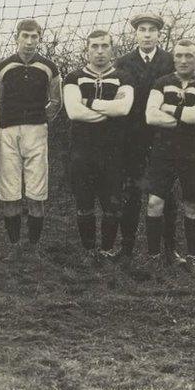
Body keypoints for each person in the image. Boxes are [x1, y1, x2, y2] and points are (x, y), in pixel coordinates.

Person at [145, 40, 195, 273]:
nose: (184, 60)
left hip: (194, 154)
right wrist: (184, 117)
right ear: (173, 58)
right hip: (163, 152)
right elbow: (150, 116)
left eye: (189, 56)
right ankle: (154, 256)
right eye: (179, 56)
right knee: (155, 202)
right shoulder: (162, 83)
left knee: (192, 205)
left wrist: (169, 108)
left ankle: (193, 257)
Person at [62, 30, 134, 264]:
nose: (100, 51)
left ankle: (106, 249)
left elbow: (123, 109)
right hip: (82, 151)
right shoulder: (73, 77)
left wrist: (89, 103)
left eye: (105, 46)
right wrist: (106, 112)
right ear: (87, 49)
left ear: (112, 49)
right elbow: (73, 111)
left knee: (112, 203)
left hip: (114, 151)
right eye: (95, 46)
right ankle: (88, 250)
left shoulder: (124, 77)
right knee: (84, 203)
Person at [0, 19, 62, 259]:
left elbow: (56, 101)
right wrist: (3, 123)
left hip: (36, 130)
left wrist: (41, 120)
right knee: (10, 189)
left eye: (35, 37)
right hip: (8, 131)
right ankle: (13, 246)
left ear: (39, 39)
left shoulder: (49, 67)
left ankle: (33, 247)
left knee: (36, 190)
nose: (30, 42)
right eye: (26, 36)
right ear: (17, 38)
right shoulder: (2, 67)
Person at [114, 13, 176, 265]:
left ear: (159, 34)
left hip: (163, 135)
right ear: (136, 33)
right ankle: (126, 247)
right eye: (142, 29)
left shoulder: (171, 61)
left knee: (166, 193)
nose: (147, 34)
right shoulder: (123, 62)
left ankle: (169, 248)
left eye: (152, 30)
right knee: (131, 192)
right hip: (132, 136)